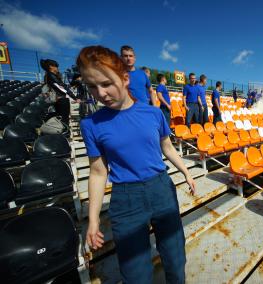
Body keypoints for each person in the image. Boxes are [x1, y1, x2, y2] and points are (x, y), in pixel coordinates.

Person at [78, 46, 195, 283]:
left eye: (106, 83)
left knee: (175, 259)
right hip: (126, 199)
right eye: (92, 86)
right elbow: (98, 172)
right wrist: (93, 220)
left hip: (161, 189)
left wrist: (186, 173)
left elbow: (167, 147)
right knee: (135, 273)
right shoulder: (91, 124)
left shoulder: (153, 114)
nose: (100, 93)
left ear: (124, 78)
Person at [41, 59, 80, 125]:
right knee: (64, 120)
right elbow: (62, 87)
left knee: (62, 119)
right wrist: (75, 98)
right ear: (51, 66)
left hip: (59, 100)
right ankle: (65, 134)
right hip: (61, 100)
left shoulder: (49, 75)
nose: (57, 68)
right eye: (56, 66)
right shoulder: (51, 76)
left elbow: (62, 86)